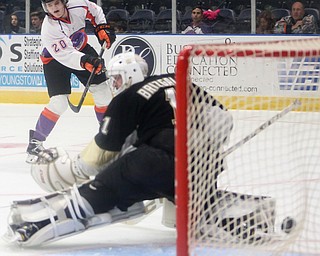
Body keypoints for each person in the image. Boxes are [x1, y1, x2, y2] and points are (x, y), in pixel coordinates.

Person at [3, 52, 233, 246]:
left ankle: (39, 222)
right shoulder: (178, 80)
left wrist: (73, 171)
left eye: (117, 79)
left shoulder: (129, 97)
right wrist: (203, 152)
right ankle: (188, 210)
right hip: (204, 168)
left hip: (155, 163)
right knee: (154, 162)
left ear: (132, 75)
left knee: (106, 183)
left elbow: (104, 150)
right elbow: (223, 120)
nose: (114, 85)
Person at [26, 0, 116, 164]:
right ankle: (35, 143)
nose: (54, 8)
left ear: (64, 2)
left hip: (81, 49)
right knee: (59, 102)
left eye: (56, 3)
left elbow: (95, 10)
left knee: (103, 92)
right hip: (55, 60)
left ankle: (108, 139)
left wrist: (101, 27)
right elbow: (66, 56)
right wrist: (86, 62)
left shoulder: (79, 5)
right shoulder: (49, 28)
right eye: (50, 6)